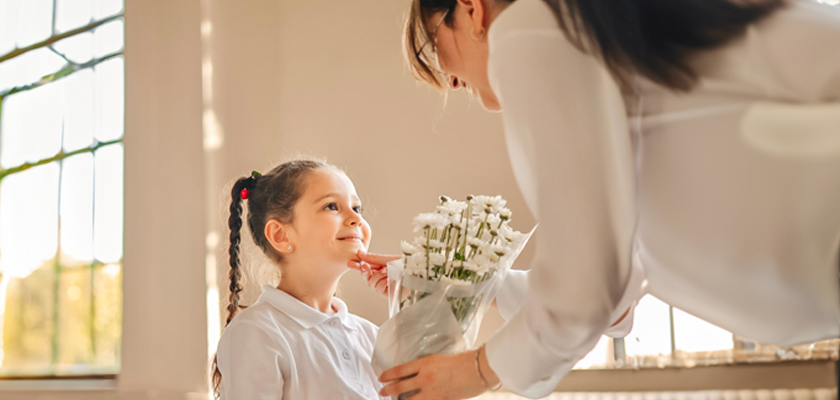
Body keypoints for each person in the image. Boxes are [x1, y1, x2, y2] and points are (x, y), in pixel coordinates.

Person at [364, 0, 840, 398]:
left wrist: (475, 370)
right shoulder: (590, 33)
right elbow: (614, 284)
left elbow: (585, 286)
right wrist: (455, 289)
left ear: (470, 9)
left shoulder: (530, 29)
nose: (446, 77)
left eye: (432, 44)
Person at [210, 159, 396, 399]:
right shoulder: (256, 333)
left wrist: (421, 292)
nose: (356, 218)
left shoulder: (371, 336)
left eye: (357, 208)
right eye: (331, 206)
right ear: (280, 234)